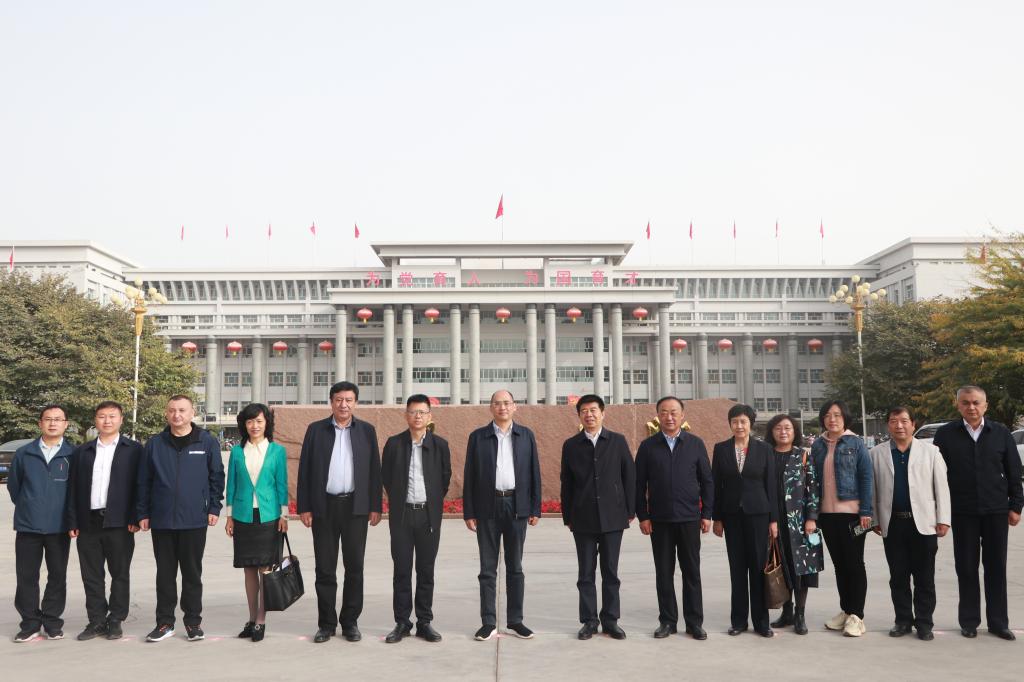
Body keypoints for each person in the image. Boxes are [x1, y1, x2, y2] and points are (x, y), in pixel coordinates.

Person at [933, 386, 1023, 640]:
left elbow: (1014, 471)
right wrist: (940, 512)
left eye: (975, 402)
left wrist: (1016, 506)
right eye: (965, 402)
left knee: (996, 567)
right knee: (966, 568)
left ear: (985, 405)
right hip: (962, 512)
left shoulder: (1001, 433)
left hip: (996, 510)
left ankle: (998, 622)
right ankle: (969, 621)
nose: (971, 407)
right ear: (958, 405)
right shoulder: (946, 434)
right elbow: (937, 476)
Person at [296, 381, 382, 644]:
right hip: (324, 507)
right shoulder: (316, 430)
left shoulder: (366, 431)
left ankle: (350, 622)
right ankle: (326, 624)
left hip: (356, 508)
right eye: (338, 400)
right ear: (331, 402)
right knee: (325, 568)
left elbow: (374, 470)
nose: (343, 405)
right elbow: (305, 470)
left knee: (354, 567)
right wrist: (304, 506)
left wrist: (375, 505)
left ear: (356, 402)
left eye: (349, 400)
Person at [137, 395, 225, 643]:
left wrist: (214, 507)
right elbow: (144, 481)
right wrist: (143, 512)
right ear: (166, 413)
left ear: (192, 412)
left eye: (182, 410)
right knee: (165, 574)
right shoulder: (155, 443)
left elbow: (216, 476)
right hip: (162, 519)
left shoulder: (206, 441)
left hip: (194, 519)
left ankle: (193, 623)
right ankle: (165, 623)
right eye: (172, 410)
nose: (177, 415)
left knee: (192, 574)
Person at [463, 389, 541, 641]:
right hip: (487, 506)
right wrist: (469, 511)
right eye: (497, 403)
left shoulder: (526, 435)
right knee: (487, 569)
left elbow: (534, 472)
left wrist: (535, 507)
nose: (502, 407)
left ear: (515, 406)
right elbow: (469, 475)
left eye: (507, 403)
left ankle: (516, 621)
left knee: (515, 567)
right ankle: (488, 622)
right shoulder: (478, 437)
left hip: (517, 506)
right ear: (491, 408)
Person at [635, 396, 714, 641]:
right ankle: (667, 621)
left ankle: (694, 623)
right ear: (658, 416)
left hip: (689, 518)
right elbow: (638, 485)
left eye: (674, 412)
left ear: (682, 415)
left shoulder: (695, 444)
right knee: (664, 573)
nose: (669, 417)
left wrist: (706, 514)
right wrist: (643, 516)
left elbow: (707, 481)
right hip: (659, 521)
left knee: (692, 572)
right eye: (664, 412)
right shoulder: (648, 446)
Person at [869, 406, 951, 641]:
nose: (899, 425)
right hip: (893, 523)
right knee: (898, 576)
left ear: (913, 424)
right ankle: (903, 620)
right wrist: (875, 519)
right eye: (894, 421)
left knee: (925, 578)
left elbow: (942, 487)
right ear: (888, 425)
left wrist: (943, 518)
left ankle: (924, 623)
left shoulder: (931, 452)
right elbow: (872, 489)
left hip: (924, 524)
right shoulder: (876, 454)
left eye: (904, 421)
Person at [560, 394, 636, 640]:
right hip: (582, 518)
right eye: (584, 411)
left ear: (603, 413)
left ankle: (611, 620)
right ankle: (589, 621)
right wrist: (568, 515)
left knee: (610, 572)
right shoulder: (571, 445)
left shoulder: (617, 441)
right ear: (579, 415)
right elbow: (567, 483)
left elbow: (629, 477)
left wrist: (629, 510)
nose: (589, 414)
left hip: (613, 517)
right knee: (586, 573)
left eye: (593, 410)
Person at [65, 401, 143, 641]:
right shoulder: (82, 451)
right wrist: (72, 520)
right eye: (102, 416)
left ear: (121, 420)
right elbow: (72, 488)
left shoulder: (134, 450)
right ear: (95, 420)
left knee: (120, 573)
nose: (107, 421)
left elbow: (140, 485)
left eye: (112, 416)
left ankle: (116, 619)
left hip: (120, 522)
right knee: (91, 575)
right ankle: (96, 620)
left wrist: (136, 516)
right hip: (88, 522)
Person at [381, 394, 452, 644]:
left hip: (428, 516)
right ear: (406, 415)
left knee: (425, 570)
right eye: (413, 412)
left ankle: (424, 622)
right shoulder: (394, 443)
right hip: (402, 516)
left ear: (429, 416)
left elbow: (444, 479)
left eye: (422, 412)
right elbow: (386, 477)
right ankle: (402, 622)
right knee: (401, 570)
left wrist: (430, 501)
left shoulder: (440, 445)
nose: (417, 416)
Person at [712, 404, 778, 637]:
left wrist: (773, 520)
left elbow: (771, 485)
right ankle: (739, 621)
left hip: (758, 515)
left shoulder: (764, 449)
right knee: (737, 569)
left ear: (751, 424)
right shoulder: (721, 449)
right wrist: (717, 518)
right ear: (730, 424)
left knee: (758, 568)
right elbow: (716, 486)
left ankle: (762, 622)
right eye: (735, 421)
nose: (739, 426)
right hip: (732, 517)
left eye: (743, 421)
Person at [9, 405, 74, 643]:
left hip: (59, 527)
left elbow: (76, 491)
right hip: (28, 526)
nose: (53, 423)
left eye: (58, 419)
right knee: (26, 577)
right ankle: (29, 624)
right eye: (48, 419)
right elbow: (14, 488)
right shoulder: (24, 453)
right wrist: (30, 505)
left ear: (66, 424)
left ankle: (52, 622)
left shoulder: (73, 454)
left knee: (57, 576)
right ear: (40, 423)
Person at [224, 403, 288, 642]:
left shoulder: (277, 451)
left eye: (259, 421)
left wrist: (284, 515)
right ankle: (251, 619)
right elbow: (231, 484)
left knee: (265, 570)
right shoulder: (237, 452)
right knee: (249, 569)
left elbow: (282, 484)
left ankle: (261, 620)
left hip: (269, 516)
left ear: (266, 423)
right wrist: (229, 516)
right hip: (243, 516)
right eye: (250, 421)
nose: (255, 426)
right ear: (244, 424)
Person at [810, 400, 873, 637]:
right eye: (828, 415)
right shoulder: (818, 445)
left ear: (845, 417)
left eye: (837, 415)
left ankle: (857, 615)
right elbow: (813, 479)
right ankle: (846, 610)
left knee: (854, 563)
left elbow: (866, 477)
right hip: (827, 515)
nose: (832, 419)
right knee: (839, 565)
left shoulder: (856, 443)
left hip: (852, 514)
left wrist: (866, 511)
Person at [764, 414, 822, 636]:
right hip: (774, 519)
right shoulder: (767, 455)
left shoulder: (803, 456)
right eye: (778, 428)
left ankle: (800, 614)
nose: (783, 432)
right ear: (772, 432)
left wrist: (811, 518)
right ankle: (786, 611)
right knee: (783, 564)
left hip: (799, 521)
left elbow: (813, 488)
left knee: (802, 568)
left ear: (794, 431)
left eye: (787, 428)